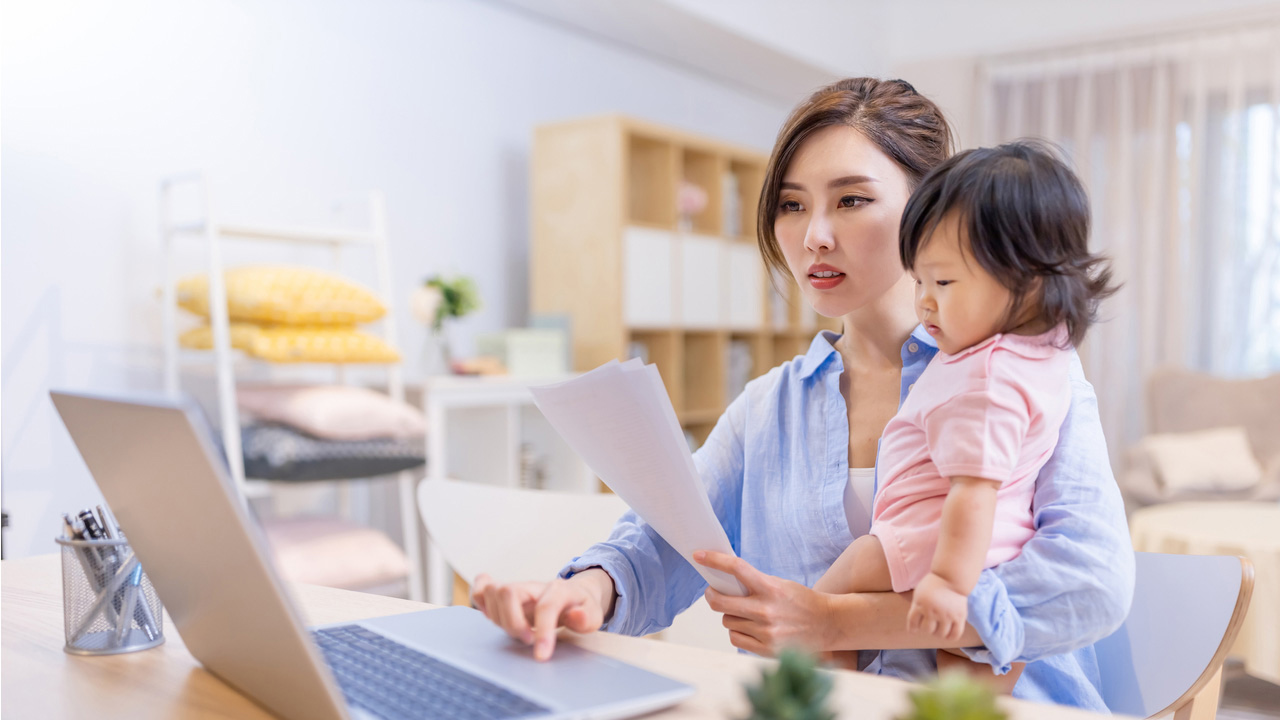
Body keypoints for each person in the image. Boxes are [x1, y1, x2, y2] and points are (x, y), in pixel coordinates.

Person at [472, 78, 1134, 710]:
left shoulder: (1026, 371)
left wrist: (834, 622)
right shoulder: (768, 407)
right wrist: (585, 591)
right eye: (792, 204)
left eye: (850, 199)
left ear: (930, 206)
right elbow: (669, 539)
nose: (814, 234)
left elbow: (1090, 583)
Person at [811, 141, 1118, 693]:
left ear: (1026, 281)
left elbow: (972, 489)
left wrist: (952, 585)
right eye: (920, 281)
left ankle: (830, 693)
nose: (925, 302)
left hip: (935, 540)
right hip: (1005, 547)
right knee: (970, 678)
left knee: (832, 591)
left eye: (944, 283)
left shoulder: (986, 376)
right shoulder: (1042, 351)